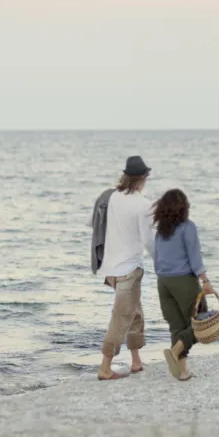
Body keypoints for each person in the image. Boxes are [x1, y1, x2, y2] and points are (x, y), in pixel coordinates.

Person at [90, 156, 154, 381]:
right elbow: (148, 240)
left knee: (134, 312)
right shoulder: (143, 204)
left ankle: (136, 361)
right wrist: (163, 263)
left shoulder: (110, 197)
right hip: (129, 269)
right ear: (143, 179)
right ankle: (105, 368)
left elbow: (93, 223)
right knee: (121, 318)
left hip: (111, 269)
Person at [151, 189, 215, 381]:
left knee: (177, 326)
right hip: (183, 280)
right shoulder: (188, 227)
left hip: (163, 282)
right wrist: (205, 280)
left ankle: (181, 371)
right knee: (201, 322)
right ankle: (176, 349)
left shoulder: (161, 231)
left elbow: (156, 259)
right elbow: (195, 258)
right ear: (183, 206)